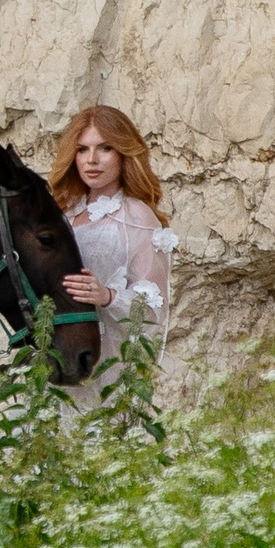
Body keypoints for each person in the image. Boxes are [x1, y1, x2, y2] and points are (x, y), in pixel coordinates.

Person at [49, 102, 172, 404]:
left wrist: (106, 296)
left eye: (104, 148)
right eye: (81, 150)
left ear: (123, 153)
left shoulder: (137, 217)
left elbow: (154, 309)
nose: (91, 160)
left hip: (108, 371)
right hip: (57, 357)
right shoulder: (61, 213)